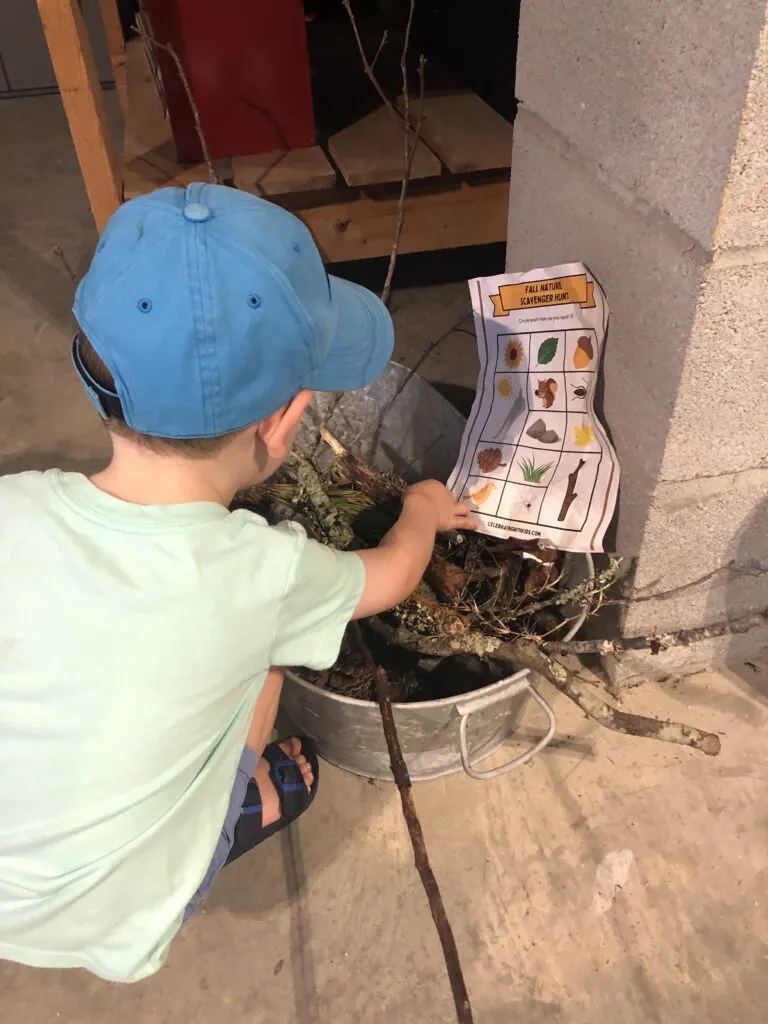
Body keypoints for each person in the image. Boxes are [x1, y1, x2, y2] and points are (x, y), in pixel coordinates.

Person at [0, 184, 474, 983]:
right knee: (268, 649)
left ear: (94, 380)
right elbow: (391, 576)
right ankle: (250, 801)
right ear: (284, 423)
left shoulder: (12, 508)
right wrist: (423, 510)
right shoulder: (262, 572)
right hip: (127, 917)